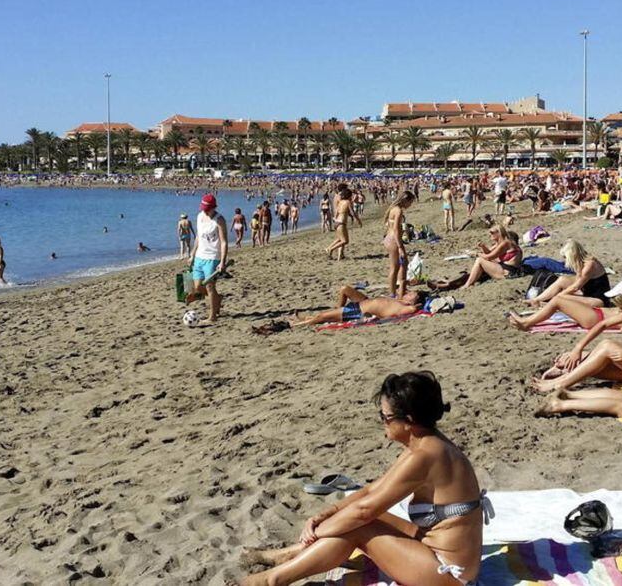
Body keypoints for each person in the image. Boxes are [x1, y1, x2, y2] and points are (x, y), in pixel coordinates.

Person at [240, 372, 488, 586]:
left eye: (386, 417)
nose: (382, 423)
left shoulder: (424, 456)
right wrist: (324, 515)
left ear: (409, 421)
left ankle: (273, 580)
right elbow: (372, 490)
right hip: (430, 547)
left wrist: (317, 533)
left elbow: (364, 511)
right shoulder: (426, 444)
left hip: (449, 575)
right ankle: (290, 554)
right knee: (356, 518)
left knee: (360, 525)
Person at [185, 194, 228, 322]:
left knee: (210, 287)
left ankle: (212, 316)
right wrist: (192, 254)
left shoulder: (219, 220)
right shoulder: (199, 216)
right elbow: (198, 237)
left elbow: (224, 242)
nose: (204, 210)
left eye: (207, 208)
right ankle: (217, 298)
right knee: (197, 287)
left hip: (213, 257)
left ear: (213, 207)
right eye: (203, 208)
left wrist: (222, 262)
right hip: (199, 256)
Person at [291, 286, 430, 326]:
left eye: (412, 294)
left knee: (321, 316)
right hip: (366, 301)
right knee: (344, 289)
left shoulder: (409, 307)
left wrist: (417, 304)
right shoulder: (402, 300)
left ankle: (297, 324)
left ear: (416, 301)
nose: (408, 293)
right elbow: (401, 286)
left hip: (360, 311)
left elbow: (415, 309)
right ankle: (312, 318)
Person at [460, 224, 522, 288]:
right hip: (509, 269)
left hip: (509, 273)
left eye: (492, 232)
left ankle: (468, 284)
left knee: (479, 260)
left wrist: (476, 253)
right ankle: (471, 281)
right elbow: (490, 254)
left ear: (499, 233)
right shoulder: (501, 243)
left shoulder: (506, 243)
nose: (490, 234)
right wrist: (483, 247)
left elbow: (489, 257)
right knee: (483, 259)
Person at [384, 191, 415, 298]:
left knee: (402, 264)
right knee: (395, 267)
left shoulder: (393, 208)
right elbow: (396, 230)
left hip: (389, 238)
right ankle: (393, 293)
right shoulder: (398, 211)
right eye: (410, 202)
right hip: (393, 240)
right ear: (406, 200)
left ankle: (400, 288)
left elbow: (389, 225)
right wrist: (400, 247)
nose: (410, 205)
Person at [327, 186, 362, 261]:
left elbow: (336, 212)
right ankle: (330, 249)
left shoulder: (340, 202)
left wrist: (335, 219)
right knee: (345, 241)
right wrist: (358, 220)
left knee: (340, 239)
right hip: (341, 223)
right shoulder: (347, 202)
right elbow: (352, 212)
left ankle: (337, 255)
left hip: (337, 222)